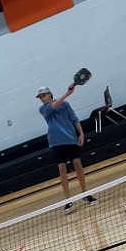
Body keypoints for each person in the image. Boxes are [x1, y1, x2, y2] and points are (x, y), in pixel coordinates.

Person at [36, 84, 96, 213]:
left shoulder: (65, 105)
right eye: (40, 97)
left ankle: (85, 194)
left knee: (77, 164)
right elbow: (53, 107)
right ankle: (68, 200)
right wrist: (67, 93)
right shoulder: (43, 109)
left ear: (50, 94)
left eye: (44, 95)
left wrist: (81, 133)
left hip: (70, 139)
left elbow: (73, 118)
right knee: (62, 169)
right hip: (56, 142)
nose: (42, 98)